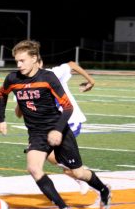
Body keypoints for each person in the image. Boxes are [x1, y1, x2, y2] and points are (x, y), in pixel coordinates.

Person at [0, 40, 111, 209]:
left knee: (79, 173)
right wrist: (1, 120)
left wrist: (58, 130)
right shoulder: (13, 79)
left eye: (22, 60)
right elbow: (2, 94)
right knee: (33, 168)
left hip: (59, 129)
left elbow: (67, 107)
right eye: (16, 61)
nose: (18, 65)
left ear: (34, 59)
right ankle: (63, 208)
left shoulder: (48, 78)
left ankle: (104, 190)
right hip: (36, 133)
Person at [15, 60, 95, 197]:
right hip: (50, 126)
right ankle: (82, 175)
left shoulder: (53, 73)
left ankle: (82, 175)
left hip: (69, 121)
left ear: (39, 63)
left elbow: (72, 64)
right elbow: (18, 114)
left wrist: (91, 81)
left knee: (52, 156)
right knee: (55, 161)